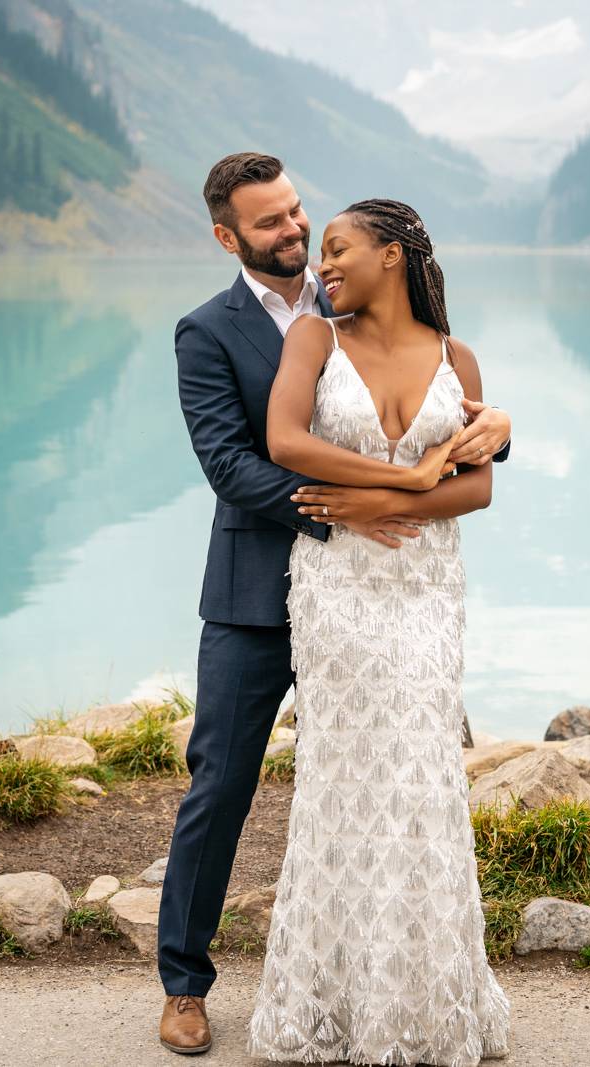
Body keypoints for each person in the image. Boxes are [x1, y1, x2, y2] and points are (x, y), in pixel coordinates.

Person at [158, 153, 513, 1057]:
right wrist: (342, 508)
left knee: (391, 784)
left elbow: (453, 426)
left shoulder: (349, 305)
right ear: (227, 236)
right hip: (257, 593)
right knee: (223, 782)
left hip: (392, 588)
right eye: (272, 222)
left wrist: (499, 434)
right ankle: (185, 984)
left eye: (299, 212)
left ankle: (390, 985)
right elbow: (234, 464)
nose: (296, 232)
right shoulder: (207, 331)